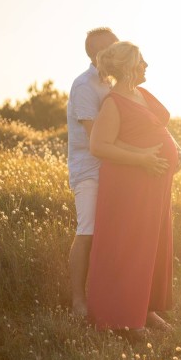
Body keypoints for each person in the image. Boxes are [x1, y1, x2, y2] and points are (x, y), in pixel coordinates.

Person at [87, 41, 181, 336]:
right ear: (129, 67)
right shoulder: (114, 103)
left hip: (154, 183)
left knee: (153, 244)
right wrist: (141, 159)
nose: (146, 66)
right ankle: (126, 319)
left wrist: (176, 147)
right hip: (131, 183)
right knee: (133, 247)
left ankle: (147, 309)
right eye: (141, 61)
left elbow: (158, 127)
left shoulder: (141, 94)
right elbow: (98, 145)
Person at [66, 27, 119, 317]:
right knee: (87, 231)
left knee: (111, 234)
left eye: (116, 46)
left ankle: (110, 298)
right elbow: (95, 137)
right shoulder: (84, 85)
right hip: (88, 170)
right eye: (108, 49)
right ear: (94, 54)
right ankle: (78, 301)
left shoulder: (111, 85)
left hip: (111, 166)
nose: (114, 52)